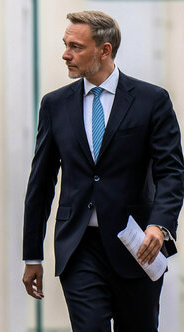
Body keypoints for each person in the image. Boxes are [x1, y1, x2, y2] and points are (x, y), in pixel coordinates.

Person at [22, 10, 184, 331]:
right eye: (65, 44)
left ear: (104, 50)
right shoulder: (54, 104)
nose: (65, 54)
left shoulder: (152, 101)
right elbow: (40, 183)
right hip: (78, 247)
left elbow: (171, 172)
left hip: (137, 246)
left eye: (76, 47)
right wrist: (32, 256)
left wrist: (160, 225)